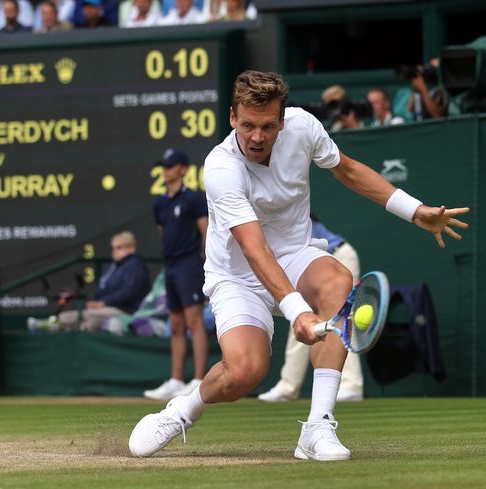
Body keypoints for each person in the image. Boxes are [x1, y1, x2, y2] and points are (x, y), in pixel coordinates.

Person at [129, 70, 469, 461]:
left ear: (283, 120)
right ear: (232, 118)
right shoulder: (221, 168)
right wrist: (297, 312)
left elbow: (349, 170)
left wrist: (415, 211)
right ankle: (182, 411)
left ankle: (317, 427)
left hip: (295, 253)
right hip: (238, 275)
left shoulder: (304, 127)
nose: (258, 137)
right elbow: (254, 248)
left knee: (339, 280)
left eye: (269, 126)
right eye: (249, 126)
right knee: (245, 373)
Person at [258, 215, 364, 403]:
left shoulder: (289, 219)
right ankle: (288, 387)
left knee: (339, 318)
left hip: (339, 258)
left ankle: (351, 384)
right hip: (314, 268)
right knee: (301, 318)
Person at [142, 148, 209, 402]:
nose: (166, 171)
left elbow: (205, 231)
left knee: (194, 321)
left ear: (182, 169)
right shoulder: (159, 203)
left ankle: (199, 379)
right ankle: (176, 379)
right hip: (170, 266)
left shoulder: (193, 199)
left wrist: (204, 262)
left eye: (170, 166)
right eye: (164, 166)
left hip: (190, 264)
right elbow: (164, 233)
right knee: (177, 323)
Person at [28, 231, 151, 332]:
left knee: (83, 315)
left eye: (119, 248)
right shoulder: (114, 267)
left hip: (126, 311)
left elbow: (129, 292)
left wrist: (103, 303)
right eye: (113, 248)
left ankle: (48, 323)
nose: (114, 251)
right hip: (108, 309)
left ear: (131, 248)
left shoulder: (135, 266)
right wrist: (97, 303)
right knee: (89, 324)